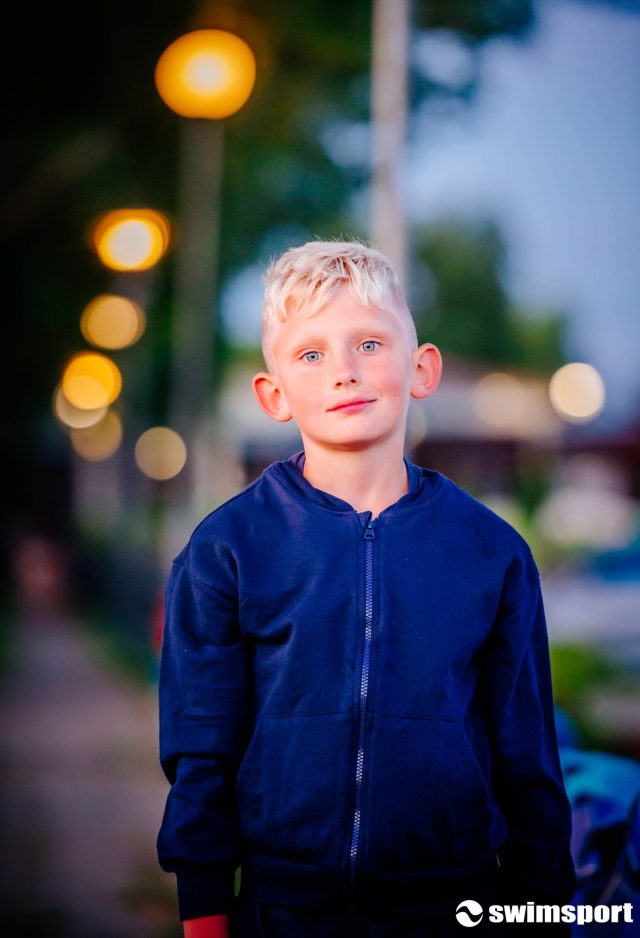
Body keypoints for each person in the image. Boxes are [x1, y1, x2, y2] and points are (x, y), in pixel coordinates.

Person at [157, 239, 575, 937]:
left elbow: (528, 756)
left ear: (422, 368)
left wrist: (543, 907)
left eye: (370, 344)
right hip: (283, 911)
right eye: (310, 354)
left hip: (454, 906)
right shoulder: (226, 548)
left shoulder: (492, 552)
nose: (344, 372)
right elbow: (201, 748)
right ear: (273, 394)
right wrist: (203, 911)